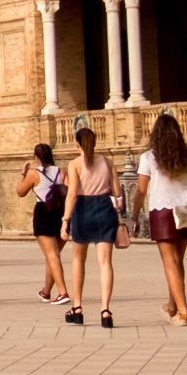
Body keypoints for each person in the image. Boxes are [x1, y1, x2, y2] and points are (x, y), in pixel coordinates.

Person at [133, 114, 187, 326]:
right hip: (186, 209)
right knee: (178, 261)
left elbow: (141, 190)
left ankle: (183, 312)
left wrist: (134, 214)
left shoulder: (149, 157)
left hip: (162, 209)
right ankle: (172, 305)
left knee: (169, 262)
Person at [61, 126, 120, 328]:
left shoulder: (75, 164)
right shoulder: (108, 162)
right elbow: (117, 192)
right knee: (105, 263)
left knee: (78, 260)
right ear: (95, 142)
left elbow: (72, 194)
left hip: (82, 209)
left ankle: (77, 308)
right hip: (104, 208)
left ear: (76, 144)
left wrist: (65, 220)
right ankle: (105, 310)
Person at [17, 143, 68, 304]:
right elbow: (69, 192)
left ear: (36, 156)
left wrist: (23, 174)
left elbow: (20, 192)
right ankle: (46, 291)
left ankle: (63, 292)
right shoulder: (62, 172)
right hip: (61, 212)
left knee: (52, 255)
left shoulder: (34, 174)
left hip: (43, 212)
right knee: (52, 255)